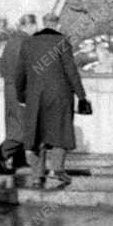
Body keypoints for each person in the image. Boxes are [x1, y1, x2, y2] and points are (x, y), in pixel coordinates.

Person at [15, 10, 89, 189]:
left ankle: (36, 175)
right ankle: (57, 169)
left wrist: (21, 94)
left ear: (42, 23)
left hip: (35, 95)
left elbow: (20, 72)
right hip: (60, 95)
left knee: (36, 133)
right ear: (57, 25)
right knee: (60, 131)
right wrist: (81, 96)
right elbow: (71, 71)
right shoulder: (62, 42)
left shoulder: (29, 42)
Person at [0, 13, 37, 174]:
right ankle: (1, 154)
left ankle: (18, 160)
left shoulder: (12, 41)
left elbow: (3, 66)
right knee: (23, 127)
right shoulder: (26, 41)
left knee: (14, 124)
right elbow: (26, 69)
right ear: (30, 26)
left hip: (9, 86)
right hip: (20, 88)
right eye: (35, 26)